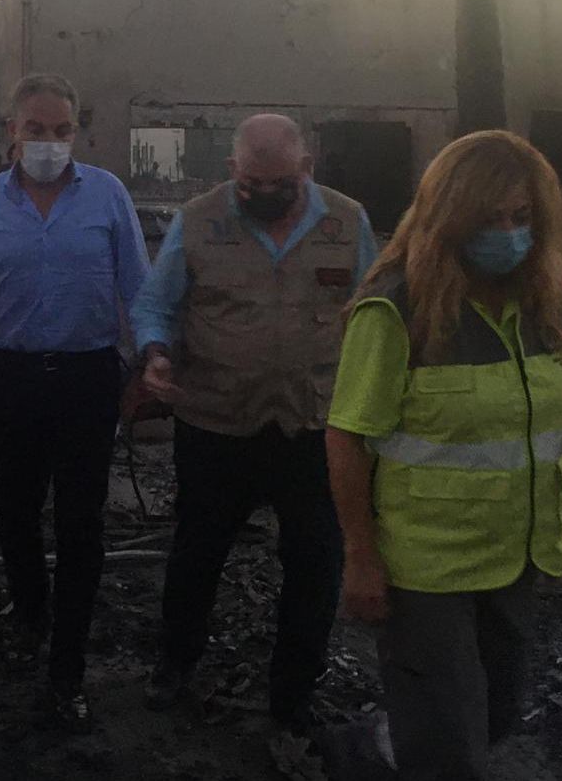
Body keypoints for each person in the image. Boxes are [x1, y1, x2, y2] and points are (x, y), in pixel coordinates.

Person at [324, 130, 562, 780]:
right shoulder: (396, 308)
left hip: (517, 553)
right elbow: (347, 437)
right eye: (488, 218)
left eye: (521, 217)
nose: (508, 234)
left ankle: (379, 747)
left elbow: (560, 413)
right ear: (449, 218)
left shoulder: (551, 298)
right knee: (449, 743)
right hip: (426, 565)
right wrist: (360, 557)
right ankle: (398, 750)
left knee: (495, 713)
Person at [132, 114, 378, 730]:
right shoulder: (198, 220)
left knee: (316, 564)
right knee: (197, 553)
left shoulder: (347, 222)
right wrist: (156, 353)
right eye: (251, 183)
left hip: (314, 426)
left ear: (307, 169)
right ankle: (176, 662)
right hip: (217, 424)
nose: (265, 193)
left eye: (280, 183)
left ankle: (294, 692)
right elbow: (156, 303)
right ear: (232, 170)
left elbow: (375, 313)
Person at [0, 73, 150, 730]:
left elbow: (139, 287)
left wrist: (152, 359)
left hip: (88, 378)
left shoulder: (108, 196)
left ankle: (68, 669)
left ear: (76, 133)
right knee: (14, 514)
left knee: (81, 523)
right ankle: (30, 615)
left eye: (61, 130)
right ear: (12, 131)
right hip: (14, 378)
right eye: (35, 129)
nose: (48, 142)